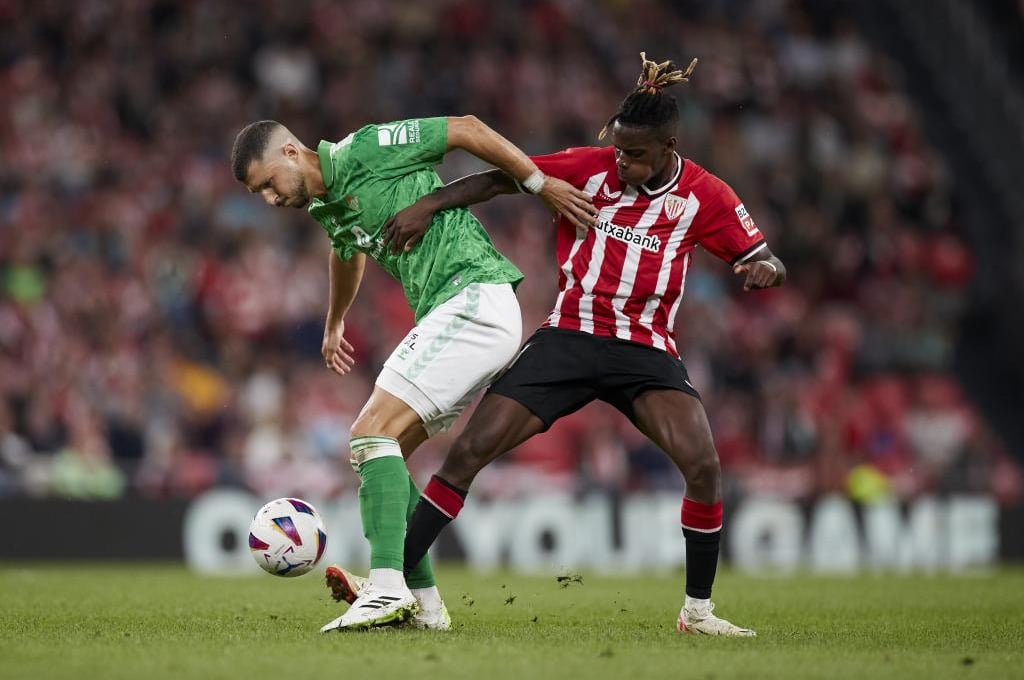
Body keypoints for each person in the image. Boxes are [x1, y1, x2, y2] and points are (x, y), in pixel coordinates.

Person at [329, 54, 786, 636]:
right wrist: (429, 204)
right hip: (568, 336)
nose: (621, 162)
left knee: (703, 466)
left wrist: (765, 269)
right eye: (618, 150)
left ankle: (697, 612)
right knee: (469, 453)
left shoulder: (706, 195)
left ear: (669, 146)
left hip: (644, 350)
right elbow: (502, 177)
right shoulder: (589, 167)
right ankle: (389, 582)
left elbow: (762, 255)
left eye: (635, 154)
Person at [229, 115, 595, 633]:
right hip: (459, 312)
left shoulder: (366, 149)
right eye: (259, 194)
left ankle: (385, 585)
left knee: (368, 433)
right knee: (385, 453)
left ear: (290, 152)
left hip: (472, 295)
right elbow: (346, 250)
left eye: (268, 183)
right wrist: (335, 321)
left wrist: (539, 184)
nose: (270, 199)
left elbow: (467, 128)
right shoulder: (325, 204)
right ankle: (424, 604)